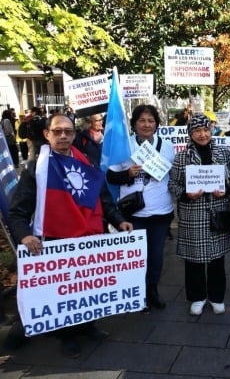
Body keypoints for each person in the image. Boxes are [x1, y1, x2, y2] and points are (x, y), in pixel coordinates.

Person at [7, 113, 133, 358]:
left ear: (75, 135)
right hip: (56, 240)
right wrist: (24, 236)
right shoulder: (36, 168)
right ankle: (67, 337)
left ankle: (88, 326)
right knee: (62, 292)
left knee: (88, 288)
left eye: (68, 131)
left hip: (89, 238)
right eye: (57, 131)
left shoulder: (88, 163)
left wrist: (120, 221)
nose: (63, 135)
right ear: (47, 134)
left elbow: (104, 198)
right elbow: (17, 210)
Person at [106, 105, 175, 313]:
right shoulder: (124, 146)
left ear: (156, 124)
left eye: (151, 121)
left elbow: (175, 173)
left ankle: (152, 291)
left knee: (156, 256)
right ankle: (137, 295)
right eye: (142, 120)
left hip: (161, 211)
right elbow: (110, 177)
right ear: (134, 124)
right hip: (133, 213)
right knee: (136, 257)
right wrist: (127, 173)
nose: (147, 124)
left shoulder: (167, 146)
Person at [168, 114, 230, 315]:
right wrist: (186, 195)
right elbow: (173, 184)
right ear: (190, 133)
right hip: (193, 214)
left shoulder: (223, 153)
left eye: (205, 129)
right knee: (193, 260)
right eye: (197, 130)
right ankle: (197, 297)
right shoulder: (182, 157)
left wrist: (227, 191)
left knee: (217, 259)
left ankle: (216, 297)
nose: (202, 134)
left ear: (211, 130)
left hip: (217, 211)